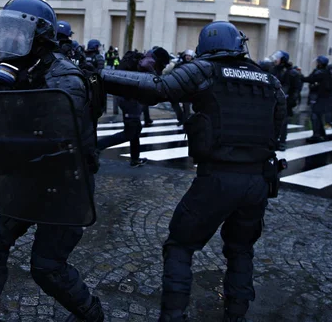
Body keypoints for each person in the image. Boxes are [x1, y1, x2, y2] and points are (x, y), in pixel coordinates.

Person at [100, 21, 286, 322]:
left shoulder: (206, 70)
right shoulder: (269, 80)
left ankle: (173, 316)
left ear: (205, 47)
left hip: (218, 179)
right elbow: (278, 130)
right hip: (259, 181)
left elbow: (157, 88)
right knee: (241, 249)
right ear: (238, 45)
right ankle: (236, 315)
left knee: (180, 245)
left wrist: (99, 75)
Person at [0, 0, 104, 322]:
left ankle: (91, 314)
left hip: (66, 182)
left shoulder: (65, 78)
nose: (8, 40)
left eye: (16, 32)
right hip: (29, 177)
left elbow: (57, 135)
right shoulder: (16, 68)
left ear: (38, 37)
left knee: (47, 267)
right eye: (6, 31)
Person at [97, 50, 148, 167]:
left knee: (135, 131)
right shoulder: (136, 68)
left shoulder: (130, 66)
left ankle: (135, 159)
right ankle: (98, 146)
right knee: (130, 133)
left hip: (128, 102)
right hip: (131, 103)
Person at [269, 51, 302, 150]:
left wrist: (292, 100)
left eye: (278, 58)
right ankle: (273, 141)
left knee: (283, 122)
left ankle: (282, 142)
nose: (276, 60)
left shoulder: (292, 72)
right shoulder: (274, 69)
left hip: (286, 101)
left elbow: (296, 88)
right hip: (274, 99)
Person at [303, 56, 332, 143]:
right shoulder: (327, 72)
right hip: (322, 98)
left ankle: (316, 134)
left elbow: (310, 79)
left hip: (318, 97)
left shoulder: (320, 73)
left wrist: (300, 76)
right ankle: (321, 133)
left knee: (315, 116)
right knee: (318, 116)